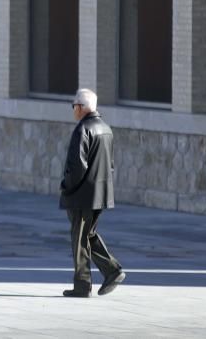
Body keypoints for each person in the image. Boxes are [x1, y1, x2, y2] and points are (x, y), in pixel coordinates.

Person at [60, 88, 125, 298]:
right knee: (88, 234)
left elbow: (77, 166)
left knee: (79, 238)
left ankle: (82, 284)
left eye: (74, 107)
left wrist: (66, 186)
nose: (73, 111)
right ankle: (112, 270)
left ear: (81, 107)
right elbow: (111, 165)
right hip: (100, 193)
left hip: (82, 194)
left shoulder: (83, 130)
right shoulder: (106, 129)